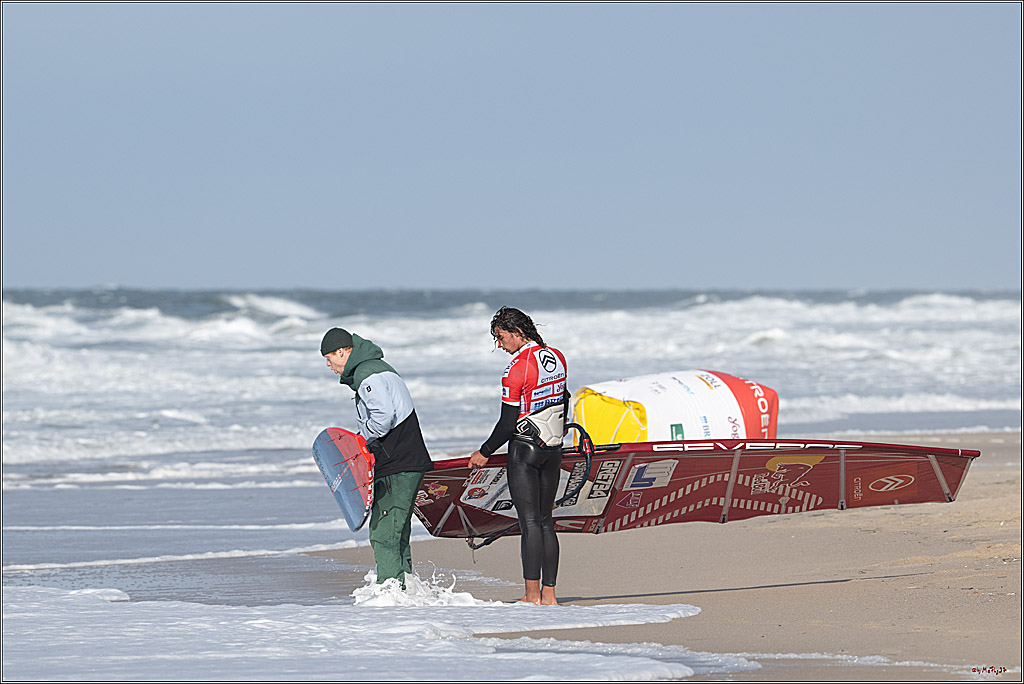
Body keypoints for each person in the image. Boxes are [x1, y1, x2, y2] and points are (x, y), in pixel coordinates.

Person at [468, 307, 569, 605]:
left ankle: (530, 595)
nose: (499, 345)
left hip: (525, 450)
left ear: (516, 332)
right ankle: (550, 595)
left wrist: (484, 452)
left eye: (501, 338)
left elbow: (507, 423)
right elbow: (564, 397)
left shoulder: (516, 368)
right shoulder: (557, 357)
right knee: (546, 521)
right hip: (553, 448)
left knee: (530, 523)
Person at [321, 327, 433, 589]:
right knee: (398, 531)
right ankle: (405, 590)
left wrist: (361, 440)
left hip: (397, 462)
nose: (328, 365)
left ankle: (390, 594)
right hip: (406, 460)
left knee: (384, 532)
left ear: (342, 351)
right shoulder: (376, 367)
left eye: (329, 358)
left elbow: (382, 417)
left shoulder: (366, 372)